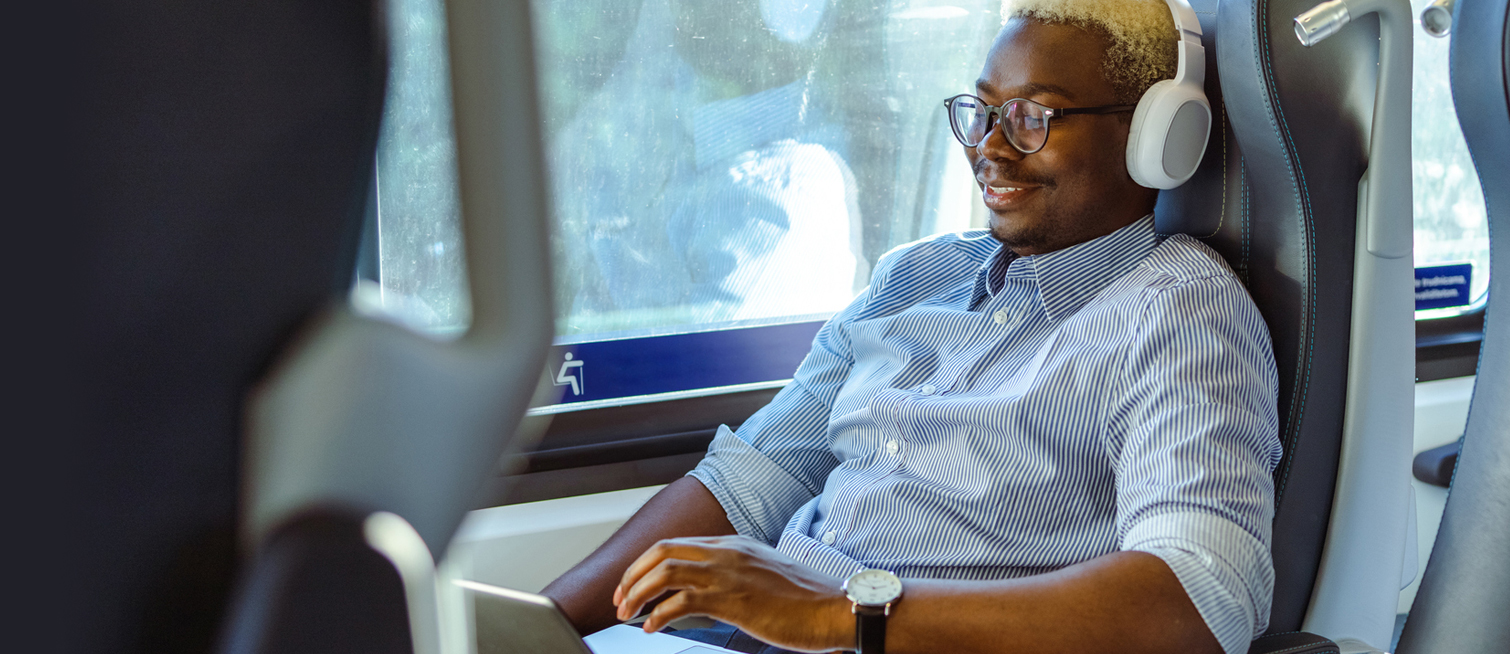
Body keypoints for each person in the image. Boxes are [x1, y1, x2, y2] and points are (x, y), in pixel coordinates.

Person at [541, 1, 1280, 652]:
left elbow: (1196, 599)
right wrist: (539, 626)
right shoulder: (915, 277)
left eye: (1031, 118)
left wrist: (842, 615)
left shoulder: (1180, 313)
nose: (988, 148)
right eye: (983, 111)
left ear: (1156, 135)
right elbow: (746, 485)